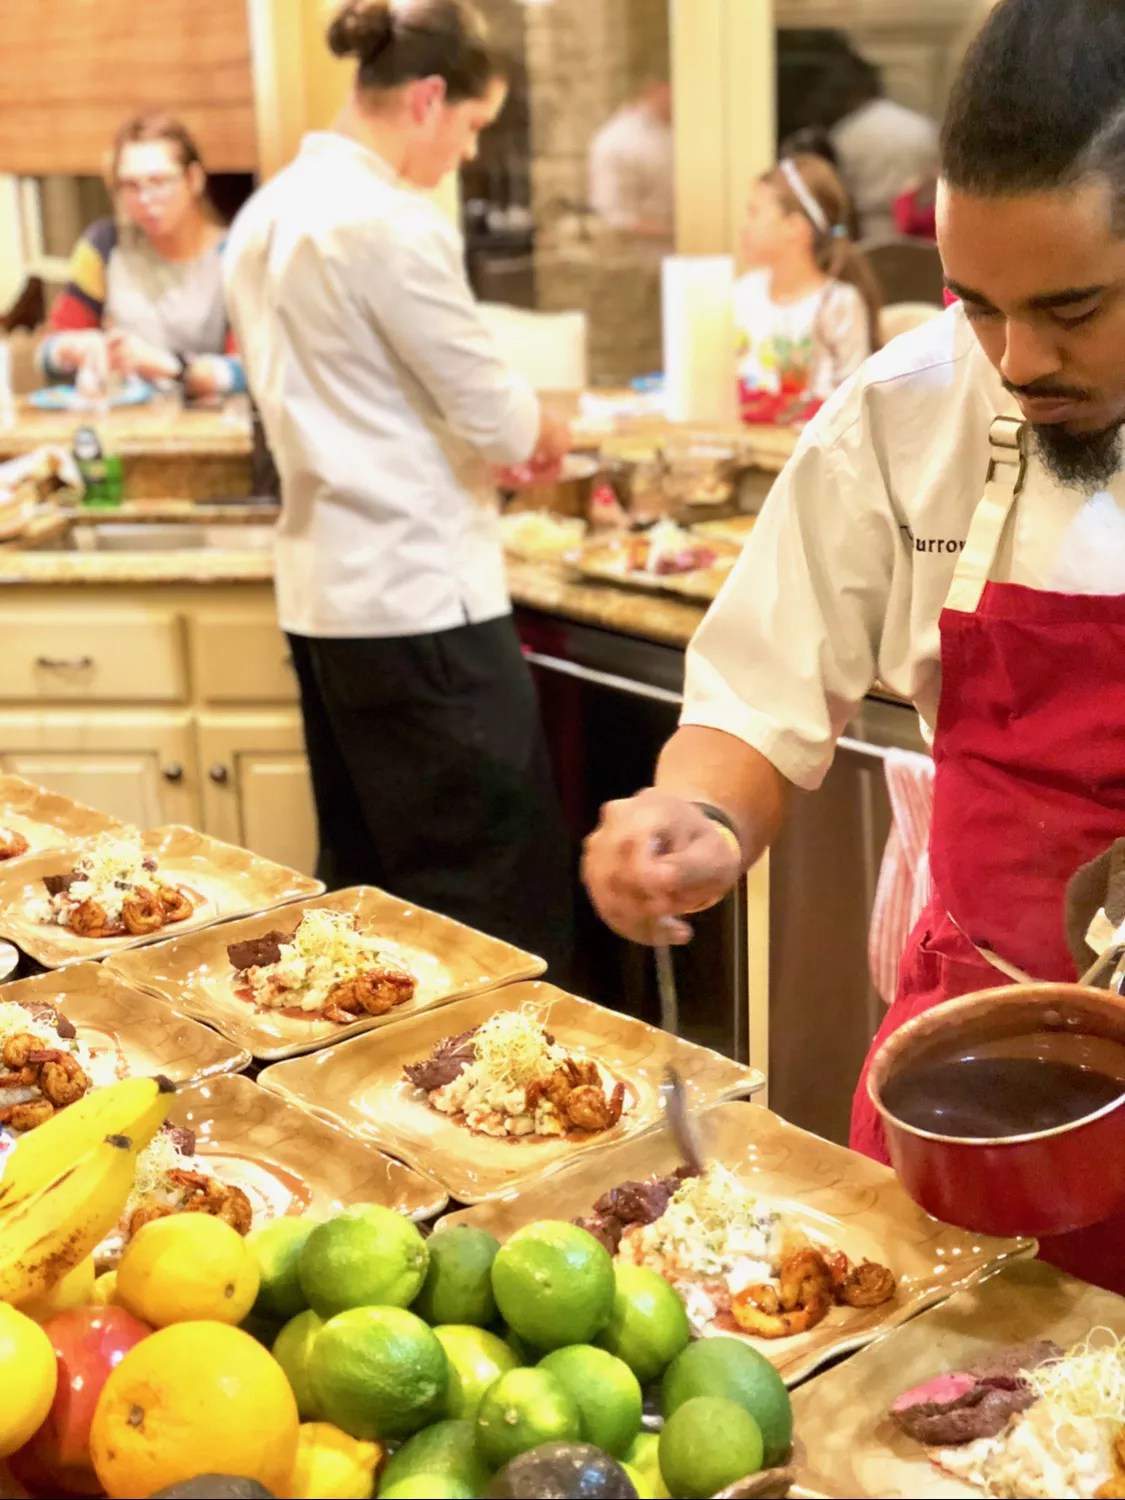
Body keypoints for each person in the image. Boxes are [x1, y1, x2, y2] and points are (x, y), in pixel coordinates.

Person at [582, 0, 1125, 1294]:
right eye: (977, 304)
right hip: (971, 1061)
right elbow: (759, 690)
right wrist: (697, 815)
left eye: (1073, 308)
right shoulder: (905, 410)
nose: (1019, 358)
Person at [224, 0, 574, 978]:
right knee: (489, 898)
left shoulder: (264, 215)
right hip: (421, 602)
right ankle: (493, 1073)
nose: (468, 150)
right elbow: (499, 417)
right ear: (427, 100)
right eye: (471, 124)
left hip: (325, 601)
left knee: (365, 893)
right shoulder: (387, 223)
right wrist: (544, 432)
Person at [39, 113, 245, 400]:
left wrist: (174, 368)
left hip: (209, 420)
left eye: (159, 181)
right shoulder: (104, 244)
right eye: (131, 186)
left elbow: (251, 369)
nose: (145, 199)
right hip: (129, 417)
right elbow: (45, 353)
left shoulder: (235, 254)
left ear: (194, 179)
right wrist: (70, 347)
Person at [735, 154, 880, 407]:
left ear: (795, 227)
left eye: (754, 213)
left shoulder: (838, 303)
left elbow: (855, 402)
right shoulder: (744, 291)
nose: (743, 226)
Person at [818, 48, 939, 240]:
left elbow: (839, 194)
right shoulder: (922, 127)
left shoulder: (845, 135)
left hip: (870, 231)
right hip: (922, 231)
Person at [587, 81, 674, 244]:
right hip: (643, 252)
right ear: (658, 88)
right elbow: (613, 216)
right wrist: (677, 232)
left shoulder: (671, 130)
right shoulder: (618, 140)